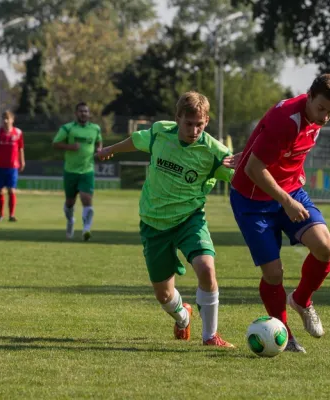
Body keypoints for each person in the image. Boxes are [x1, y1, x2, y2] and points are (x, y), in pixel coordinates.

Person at [96, 91, 237, 347]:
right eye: (189, 123)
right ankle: (183, 317)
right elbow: (136, 141)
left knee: (206, 268)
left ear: (206, 122)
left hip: (189, 219)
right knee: (164, 295)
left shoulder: (216, 151)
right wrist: (110, 150)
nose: (194, 130)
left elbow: (242, 177)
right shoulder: (161, 132)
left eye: (200, 125)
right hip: (154, 223)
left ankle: (210, 336)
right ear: (178, 118)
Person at [229, 74, 330, 353]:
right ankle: (285, 334)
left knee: (325, 248)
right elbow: (253, 169)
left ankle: (302, 300)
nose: (325, 117)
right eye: (321, 109)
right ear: (308, 96)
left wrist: (292, 181)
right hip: (252, 200)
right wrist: (286, 201)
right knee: (273, 274)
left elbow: (280, 147)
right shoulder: (287, 119)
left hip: (290, 191)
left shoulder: (315, 119)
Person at [52, 102, 102, 240]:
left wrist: (99, 149)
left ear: (89, 113)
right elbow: (55, 143)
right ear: (76, 113)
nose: (83, 113)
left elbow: (99, 142)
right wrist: (70, 146)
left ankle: (86, 229)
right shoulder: (67, 128)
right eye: (81, 111)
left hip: (87, 170)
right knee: (70, 202)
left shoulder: (95, 129)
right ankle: (70, 221)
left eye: (86, 111)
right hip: (70, 171)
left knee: (86, 199)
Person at [0, 110, 25, 221]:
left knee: (12, 190)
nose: (5, 120)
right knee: (0, 190)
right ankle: (1, 215)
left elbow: (20, 148)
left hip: (12, 166)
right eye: (3, 118)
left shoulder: (18, 133)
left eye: (7, 118)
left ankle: (12, 215)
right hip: (0, 167)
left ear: (12, 120)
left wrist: (22, 161)